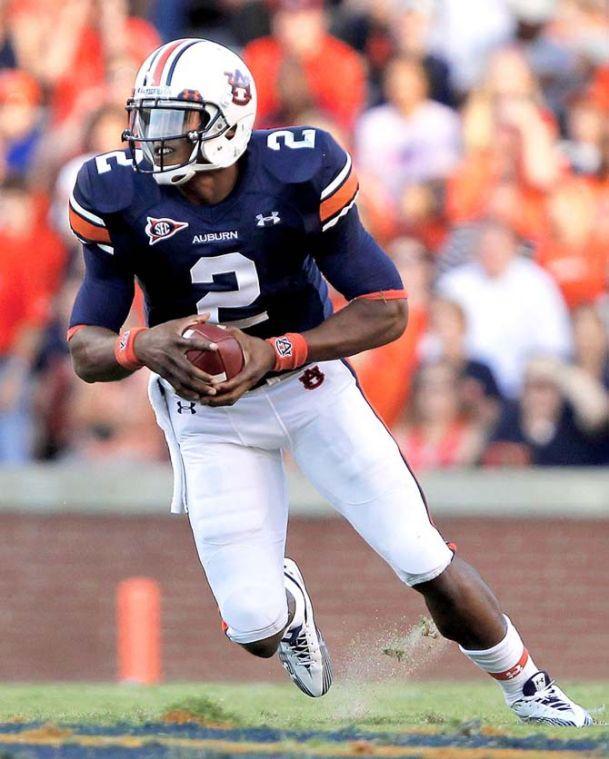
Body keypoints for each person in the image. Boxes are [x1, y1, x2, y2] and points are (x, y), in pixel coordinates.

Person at [67, 38, 591, 726]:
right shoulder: (113, 190)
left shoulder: (298, 170)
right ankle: (285, 605)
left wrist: (277, 350)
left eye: (175, 121)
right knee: (252, 628)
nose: (152, 140)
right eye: (149, 118)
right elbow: (85, 345)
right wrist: (141, 344)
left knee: (419, 552)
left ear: (227, 120)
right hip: (207, 411)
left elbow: (386, 308)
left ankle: (527, 683)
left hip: (310, 387)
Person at [437, 220, 572, 398]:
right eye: (486, 245)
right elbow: (436, 342)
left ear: (513, 247)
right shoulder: (455, 284)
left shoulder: (537, 282)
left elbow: (555, 343)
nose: (491, 252)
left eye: (498, 245)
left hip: (525, 386)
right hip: (467, 384)